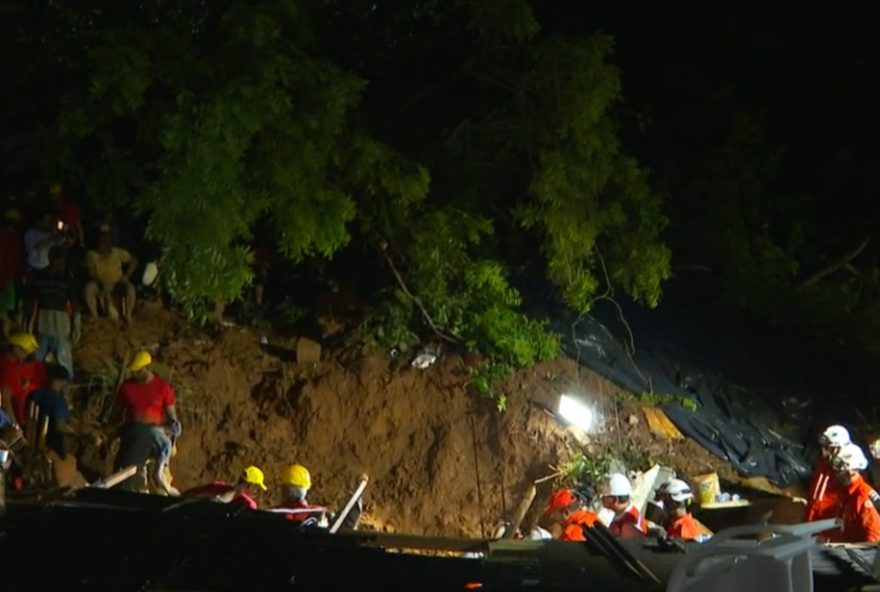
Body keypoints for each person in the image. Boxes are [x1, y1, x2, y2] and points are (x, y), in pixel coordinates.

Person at [109, 350, 180, 495]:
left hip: (154, 432)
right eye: (134, 371)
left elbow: (172, 417)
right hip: (132, 431)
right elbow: (116, 415)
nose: (135, 374)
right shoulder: (127, 387)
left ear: (148, 368)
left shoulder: (162, 388)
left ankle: (158, 476)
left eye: (138, 371)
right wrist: (111, 433)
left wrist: (174, 426)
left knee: (152, 435)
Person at [29, 246, 77, 378]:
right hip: (44, 318)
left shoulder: (67, 278)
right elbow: (31, 299)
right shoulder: (39, 277)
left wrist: (75, 325)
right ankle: (34, 379)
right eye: (59, 259)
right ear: (51, 259)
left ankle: (67, 382)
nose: (61, 263)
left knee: (63, 355)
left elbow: (74, 304)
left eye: (62, 260)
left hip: (59, 319)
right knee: (39, 353)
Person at [825, 443, 880, 543]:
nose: (837, 474)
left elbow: (874, 539)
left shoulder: (863, 497)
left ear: (852, 471)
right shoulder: (845, 493)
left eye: (840, 470)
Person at [83, 227, 138, 322]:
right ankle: (94, 315)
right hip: (100, 283)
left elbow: (134, 260)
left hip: (117, 282)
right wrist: (100, 282)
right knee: (89, 288)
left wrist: (126, 276)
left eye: (105, 243)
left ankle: (128, 315)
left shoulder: (118, 252)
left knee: (130, 289)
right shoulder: (91, 255)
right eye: (100, 242)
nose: (102, 246)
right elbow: (91, 273)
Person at [26, 364, 77, 457]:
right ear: (63, 382)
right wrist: (76, 433)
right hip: (50, 448)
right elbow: (60, 426)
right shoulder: (59, 401)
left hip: (29, 440)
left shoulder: (35, 394)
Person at [805, 424, 850, 523]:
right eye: (824, 447)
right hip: (813, 518)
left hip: (830, 524)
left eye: (829, 448)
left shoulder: (847, 472)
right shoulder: (823, 463)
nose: (824, 451)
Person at [0, 333, 47, 426]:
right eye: (26, 352)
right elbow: (5, 401)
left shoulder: (14, 365)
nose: (29, 355)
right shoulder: (8, 368)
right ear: (16, 349)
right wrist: (14, 425)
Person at [183, 466, 268, 509]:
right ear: (251, 486)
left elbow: (187, 494)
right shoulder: (248, 504)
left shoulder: (217, 486)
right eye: (257, 488)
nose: (257, 492)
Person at [0, 209, 25, 337]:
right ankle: (5, 335)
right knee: (6, 311)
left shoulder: (13, 236)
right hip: (8, 277)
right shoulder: (8, 236)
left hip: (11, 277)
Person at [600, 473, 647, 539]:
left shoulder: (629, 523)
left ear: (615, 500)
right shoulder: (621, 515)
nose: (601, 498)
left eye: (605, 496)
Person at [49, 183, 84, 248]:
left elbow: (79, 227)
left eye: (56, 196)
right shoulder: (56, 211)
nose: (55, 198)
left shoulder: (71, 209)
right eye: (53, 196)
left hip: (70, 238)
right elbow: (59, 224)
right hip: (61, 239)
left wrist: (81, 241)